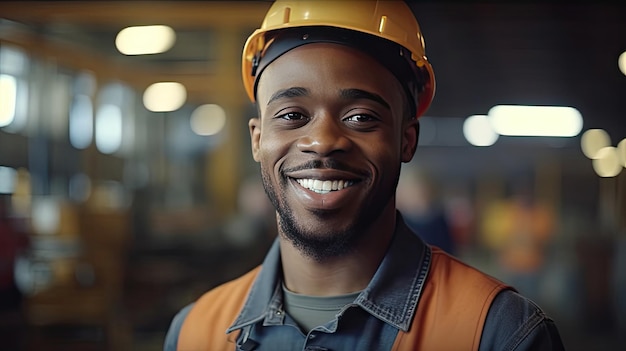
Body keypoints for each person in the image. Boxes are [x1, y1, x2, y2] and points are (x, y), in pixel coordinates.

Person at [164, 1, 565, 350]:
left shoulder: (498, 333)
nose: (322, 141)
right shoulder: (195, 333)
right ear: (257, 140)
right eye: (292, 116)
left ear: (407, 140)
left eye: (361, 117)